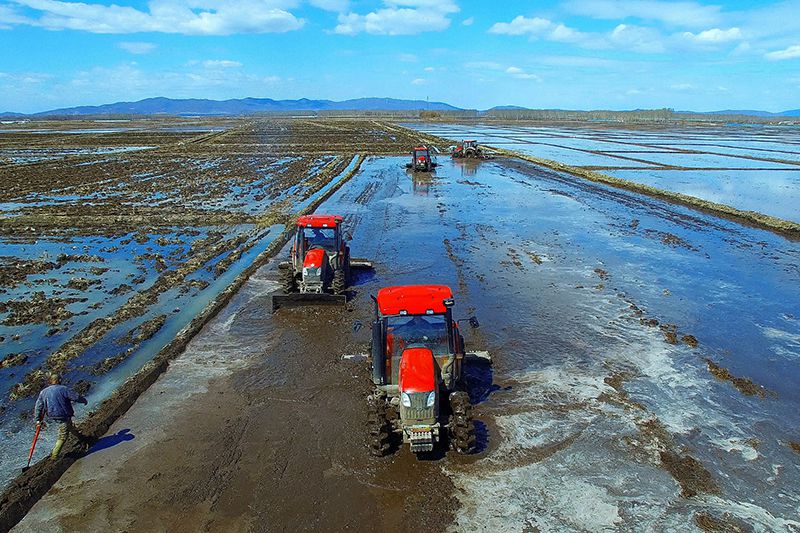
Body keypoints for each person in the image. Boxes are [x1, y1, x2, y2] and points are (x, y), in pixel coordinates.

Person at [33, 374, 89, 459]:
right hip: (63, 414)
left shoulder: (43, 392)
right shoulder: (63, 389)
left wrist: (37, 419)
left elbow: (38, 406)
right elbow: (76, 397)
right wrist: (84, 400)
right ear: (59, 380)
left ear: (50, 381)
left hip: (52, 415)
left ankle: (81, 437)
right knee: (63, 435)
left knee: (69, 426)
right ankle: (54, 456)